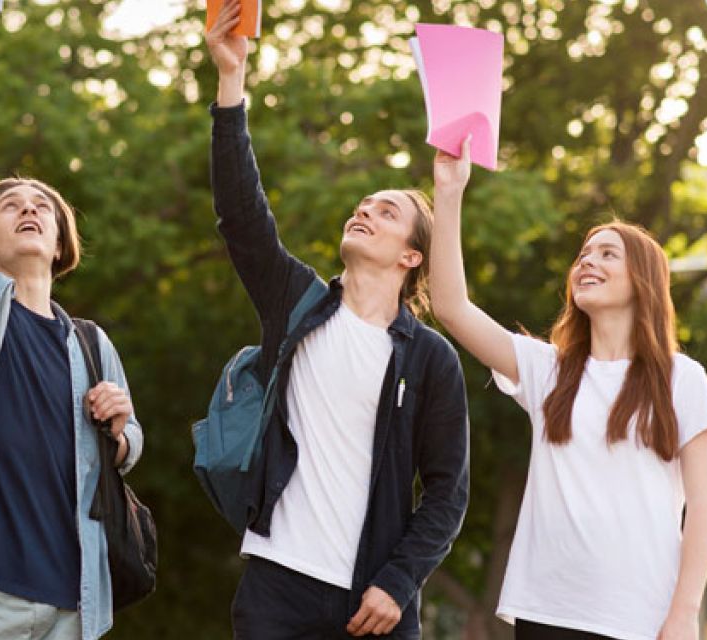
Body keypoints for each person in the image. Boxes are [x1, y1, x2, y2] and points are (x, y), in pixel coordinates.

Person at [204, 3, 470, 637]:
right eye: (362, 205)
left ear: (412, 255)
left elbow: (447, 492)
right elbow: (243, 216)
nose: (365, 211)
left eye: (385, 211)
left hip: (373, 601)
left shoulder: (430, 359)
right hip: (277, 586)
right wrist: (231, 83)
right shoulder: (297, 304)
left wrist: (400, 581)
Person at [0, 1, 144, 638]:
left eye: (43, 205)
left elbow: (125, 451)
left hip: (74, 596)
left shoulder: (90, 344)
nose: (29, 209)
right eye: (11, 205)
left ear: (62, 242)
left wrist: (120, 427)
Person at [429, 138, 707, 640]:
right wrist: (449, 192)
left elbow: (704, 506)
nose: (587, 262)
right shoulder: (549, 370)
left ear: (643, 281)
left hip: (640, 616)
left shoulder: (682, 379)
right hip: (546, 610)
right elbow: (451, 307)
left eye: (607, 254)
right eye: (584, 254)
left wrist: (683, 614)